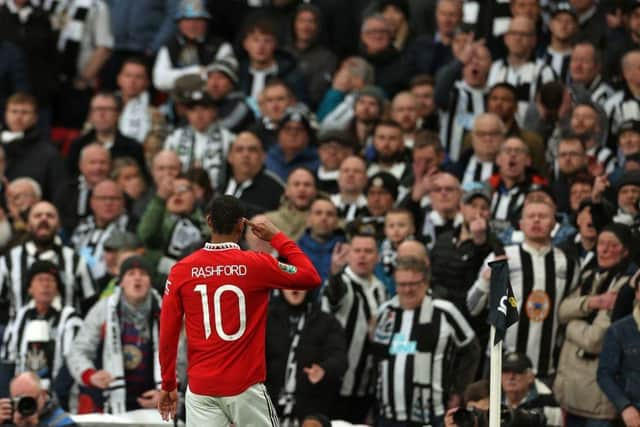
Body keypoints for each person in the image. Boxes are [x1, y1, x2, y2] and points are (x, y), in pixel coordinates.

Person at [157, 195, 321, 426]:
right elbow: (310, 276)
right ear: (241, 225)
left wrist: (168, 384)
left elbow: (168, 331)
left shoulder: (181, 270)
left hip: (201, 388)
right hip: (244, 386)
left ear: (209, 221)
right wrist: (277, 237)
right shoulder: (257, 264)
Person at [467, 199, 578, 379]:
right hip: (500, 362)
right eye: (531, 216)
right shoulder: (502, 257)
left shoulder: (568, 264)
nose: (536, 220)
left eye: (542, 216)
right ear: (521, 224)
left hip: (545, 366)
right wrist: (485, 281)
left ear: (554, 225)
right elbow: (472, 307)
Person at [371, 256, 480, 427]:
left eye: (413, 284)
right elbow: (375, 359)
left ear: (425, 283)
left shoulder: (445, 311)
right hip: (388, 415)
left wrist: (458, 390)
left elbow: (471, 350)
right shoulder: (385, 312)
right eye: (402, 284)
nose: (408, 290)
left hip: (433, 414)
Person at [554, 223, 636, 427]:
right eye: (601, 243)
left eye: (613, 245)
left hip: (597, 402)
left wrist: (566, 326)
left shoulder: (626, 289)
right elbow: (560, 311)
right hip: (569, 393)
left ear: (626, 251)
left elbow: (595, 340)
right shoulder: (590, 276)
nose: (605, 250)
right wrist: (592, 302)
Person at [67, 256, 167, 414]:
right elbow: (78, 351)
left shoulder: (168, 312)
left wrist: (167, 393)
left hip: (155, 402)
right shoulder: (102, 310)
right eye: (131, 273)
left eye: (143, 273)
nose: (137, 278)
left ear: (150, 282)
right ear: (121, 282)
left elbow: (183, 359)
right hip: (109, 400)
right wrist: (90, 375)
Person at [322, 233, 387, 423]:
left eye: (368, 251)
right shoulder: (342, 282)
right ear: (348, 254)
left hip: (366, 383)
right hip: (337, 383)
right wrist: (335, 272)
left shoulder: (380, 288)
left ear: (378, 257)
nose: (362, 256)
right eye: (357, 250)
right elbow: (334, 297)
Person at [0, 201, 94, 324]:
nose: (44, 219)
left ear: (59, 224)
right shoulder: (8, 261)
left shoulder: (76, 261)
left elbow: (90, 304)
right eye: (37, 216)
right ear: (27, 224)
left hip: (65, 336)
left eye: (50, 216)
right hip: (20, 337)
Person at [265, 288, 347, 425]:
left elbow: (339, 358)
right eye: (290, 283)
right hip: (267, 409)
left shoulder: (326, 322)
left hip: (310, 412)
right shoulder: (265, 318)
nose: (295, 287)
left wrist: (323, 369)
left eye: (300, 283)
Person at [0, 261, 83, 393]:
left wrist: (54, 394)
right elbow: (8, 361)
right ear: (29, 287)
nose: (45, 285)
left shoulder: (71, 319)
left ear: (57, 289)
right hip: (22, 396)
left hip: (60, 396)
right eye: (39, 280)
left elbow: (72, 363)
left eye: (51, 280)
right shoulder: (18, 318)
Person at [152, 0, 234, 92]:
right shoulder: (169, 46)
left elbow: (221, 81)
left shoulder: (221, 46)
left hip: (211, 102)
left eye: (198, 20)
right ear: (179, 23)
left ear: (206, 22)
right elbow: (159, 81)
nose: (192, 25)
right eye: (187, 20)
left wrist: (175, 77)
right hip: (179, 101)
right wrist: (196, 71)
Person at [137, 174, 208, 278]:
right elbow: (145, 235)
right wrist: (159, 201)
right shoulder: (158, 221)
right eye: (171, 191)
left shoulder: (207, 222)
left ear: (195, 194)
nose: (177, 194)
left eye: (183, 189)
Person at [2, 94, 65, 202]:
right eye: (14, 111)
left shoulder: (49, 154)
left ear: (35, 118)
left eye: (25, 112)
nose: (18, 117)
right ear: (5, 115)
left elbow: (57, 193)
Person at [67, 92, 146, 178]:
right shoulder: (78, 145)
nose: (101, 114)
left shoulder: (133, 148)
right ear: (90, 115)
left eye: (107, 109)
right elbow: (70, 179)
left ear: (118, 114)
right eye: (97, 109)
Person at [597, 271, 640, 427]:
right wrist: (625, 407)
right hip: (633, 414)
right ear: (637, 294)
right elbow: (604, 374)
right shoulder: (618, 330)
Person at [222, 130, 285, 217]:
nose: (246, 155)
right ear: (230, 157)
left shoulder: (276, 189)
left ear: (263, 156)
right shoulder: (221, 184)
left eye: (252, 150)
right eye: (239, 150)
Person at [501, 352, 562, 427]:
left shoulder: (548, 404)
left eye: (518, 372)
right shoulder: (490, 398)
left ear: (530, 377)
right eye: (506, 371)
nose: (511, 377)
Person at [0, 371, 77, 427]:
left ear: (43, 395)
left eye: (30, 400)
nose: (24, 405)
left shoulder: (63, 422)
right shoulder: (8, 419)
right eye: (18, 401)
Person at [297, 197, 346, 283]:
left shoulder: (346, 253)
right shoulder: (293, 252)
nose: (324, 218)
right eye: (318, 213)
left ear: (337, 222)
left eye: (329, 214)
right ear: (308, 220)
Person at [265, 167, 318, 242]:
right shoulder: (269, 221)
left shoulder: (326, 219)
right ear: (287, 190)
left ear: (315, 191)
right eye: (296, 184)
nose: (302, 189)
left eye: (307, 185)